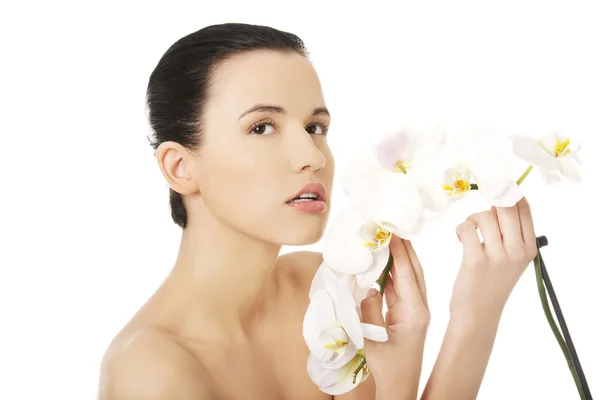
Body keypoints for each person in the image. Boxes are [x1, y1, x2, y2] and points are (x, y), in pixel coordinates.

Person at [97, 22, 539, 400]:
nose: (312, 155)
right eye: (262, 126)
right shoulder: (150, 371)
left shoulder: (315, 289)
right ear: (180, 167)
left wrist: (475, 315)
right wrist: (396, 380)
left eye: (315, 126)